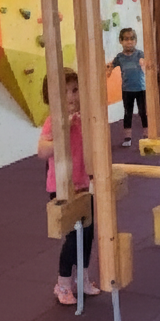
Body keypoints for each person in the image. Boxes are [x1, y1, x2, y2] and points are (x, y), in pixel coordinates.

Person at [38, 70, 99, 306]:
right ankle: (63, 283)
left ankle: (82, 279)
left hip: (84, 184)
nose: (71, 97)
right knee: (73, 238)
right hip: (62, 188)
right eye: (64, 93)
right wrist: (61, 133)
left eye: (74, 90)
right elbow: (41, 150)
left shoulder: (84, 118)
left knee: (88, 234)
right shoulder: (53, 120)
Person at [107, 27, 146, 147]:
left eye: (132, 39)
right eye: (126, 39)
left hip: (140, 88)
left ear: (136, 40)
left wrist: (144, 63)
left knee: (143, 112)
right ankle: (127, 137)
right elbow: (110, 67)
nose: (129, 42)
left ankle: (147, 134)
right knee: (127, 113)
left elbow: (145, 62)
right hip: (127, 89)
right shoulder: (120, 57)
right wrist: (108, 69)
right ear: (121, 41)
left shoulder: (139, 54)